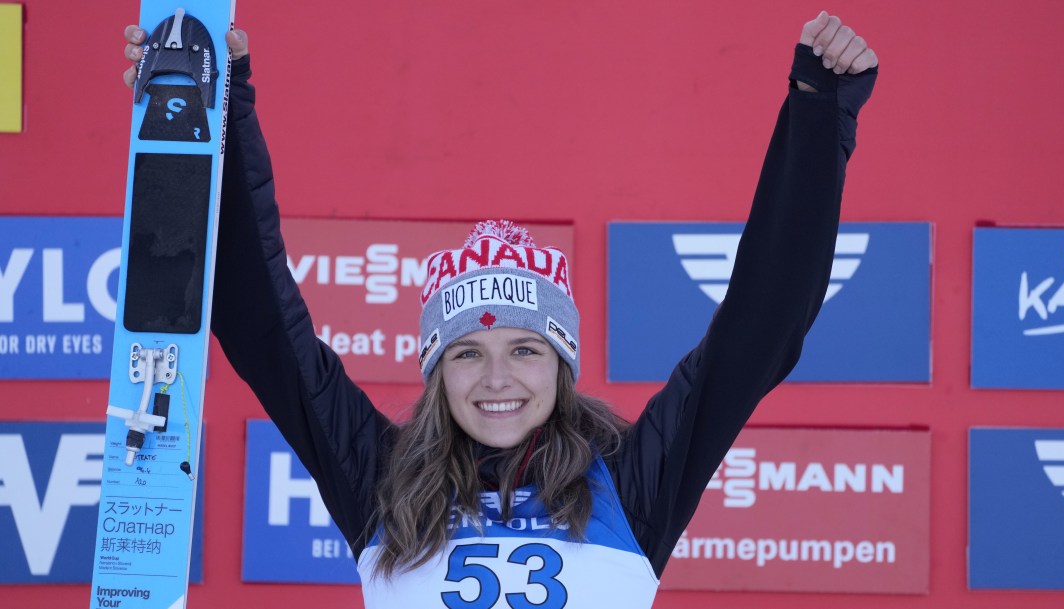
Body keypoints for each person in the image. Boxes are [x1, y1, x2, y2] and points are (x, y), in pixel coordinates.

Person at [122, 10, 877, 607]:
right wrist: (210, 117)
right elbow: (265, 328)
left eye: (525, 348)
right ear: (436, 369)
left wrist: (818, 116)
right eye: (466, 352)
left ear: (560, 363)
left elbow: (761, 324)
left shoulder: (632, 485)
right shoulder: (379, 480)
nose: (496, 377)